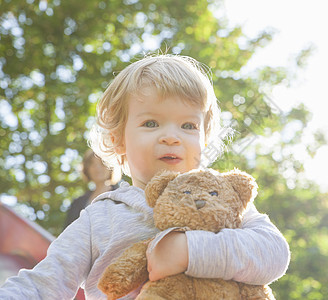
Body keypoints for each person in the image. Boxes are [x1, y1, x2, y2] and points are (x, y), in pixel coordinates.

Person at [0, 54, 290, 299]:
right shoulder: (99, 217)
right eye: (151, 123)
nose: (171, 137)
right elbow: (43, 283)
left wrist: (189, 251)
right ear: (118, 140)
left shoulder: (222, 198)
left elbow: (274, 253)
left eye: (188, 125)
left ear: (205, 139)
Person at [64, 149, 121, 228]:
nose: (97, 168)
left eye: (102, 164)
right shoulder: (77, 203)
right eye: (92, 164)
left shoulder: (121, 196)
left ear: (110, 167)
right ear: (87, 169)